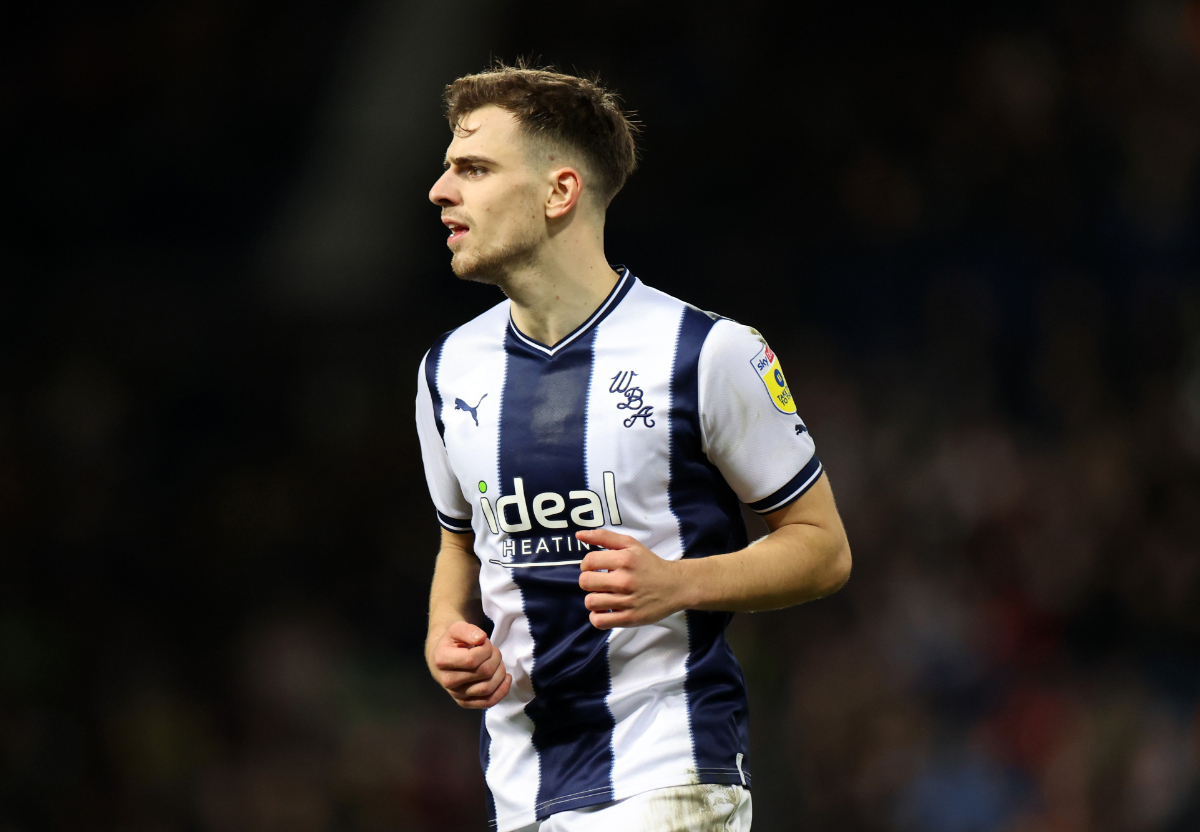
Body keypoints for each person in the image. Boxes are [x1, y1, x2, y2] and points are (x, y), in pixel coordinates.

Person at [416, 65, 852, 832]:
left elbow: (823, 549)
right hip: (521, 793)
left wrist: (679, 583)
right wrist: (444, 632)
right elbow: (461, 543)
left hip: (669, 776)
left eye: (473, 169)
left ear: (559, 192)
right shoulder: (447, 371)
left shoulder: (706, 352)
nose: (440, 191)